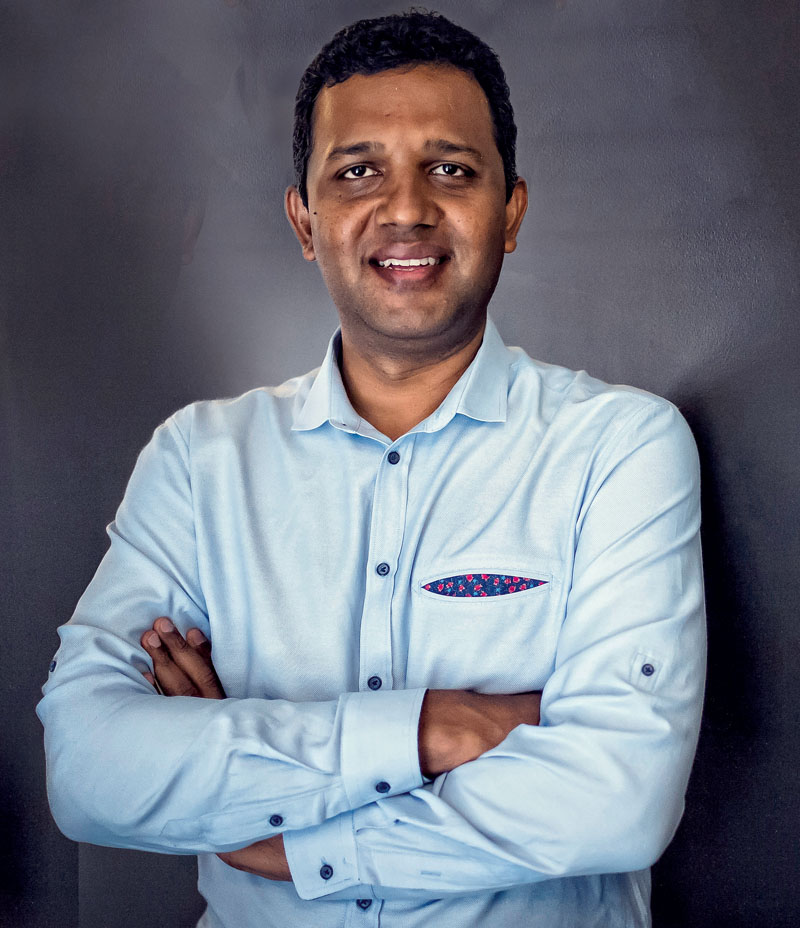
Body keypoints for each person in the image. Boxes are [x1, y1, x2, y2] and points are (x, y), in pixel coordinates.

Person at [37, 10, 706, 927]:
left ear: (510, 212)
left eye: (452, 170)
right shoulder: (199, 461)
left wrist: (273, 825)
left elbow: (618, 800)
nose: (405, 208)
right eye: (358, 172)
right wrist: (436, 727)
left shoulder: (621, 448)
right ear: (304, 221)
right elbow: (87, 770)